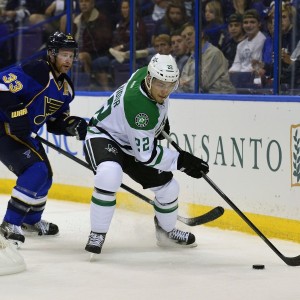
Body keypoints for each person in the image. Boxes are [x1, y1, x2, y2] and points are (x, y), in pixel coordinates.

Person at [83, 53, 209, 254]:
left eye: (170, 85)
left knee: (169, 188)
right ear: (150, 79)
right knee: (109, 174)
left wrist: (158, 125)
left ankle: (166, 232)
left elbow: (151, 120)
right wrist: (182, 161)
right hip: (105, 136)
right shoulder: (139, 109)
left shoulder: (145, 74)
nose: (165, 90)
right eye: (160, 84)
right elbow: (145, 155)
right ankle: (97, 233)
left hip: (130, 139)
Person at [0, 31, 88, 247]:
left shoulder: (66, 89)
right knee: (36, 171)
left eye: (71, 55)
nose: (68, 60)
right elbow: (1, 84)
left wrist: (71, 126)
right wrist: (16, 111)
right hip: (3, 128)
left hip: (21, 133)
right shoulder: (38, 70)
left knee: (45, 177)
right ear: (52, 53)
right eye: (63, 55)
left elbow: (56, 122)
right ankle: (9, 224)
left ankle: (32, 221)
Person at [178, 22, 235, 94]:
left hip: (222, 97)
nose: (187, 38)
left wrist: (185, 81)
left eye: (190, 34)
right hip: (204, 97)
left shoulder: (214, 53)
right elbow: (182, 80)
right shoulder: (192, 57)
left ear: (200, 34)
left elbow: (202, 82)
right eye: (184, 37)